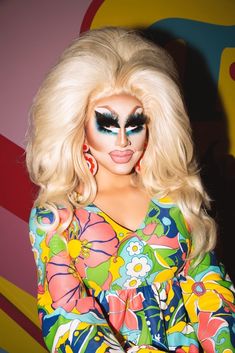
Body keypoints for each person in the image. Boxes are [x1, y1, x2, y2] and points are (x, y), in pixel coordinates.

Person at [26, 27, 235, 353]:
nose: (123, 140)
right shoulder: (57, 217)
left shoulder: (175, 196)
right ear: (78, 123)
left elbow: (208, 283)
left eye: (135, 123)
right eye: (107, 124)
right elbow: (65, 314)